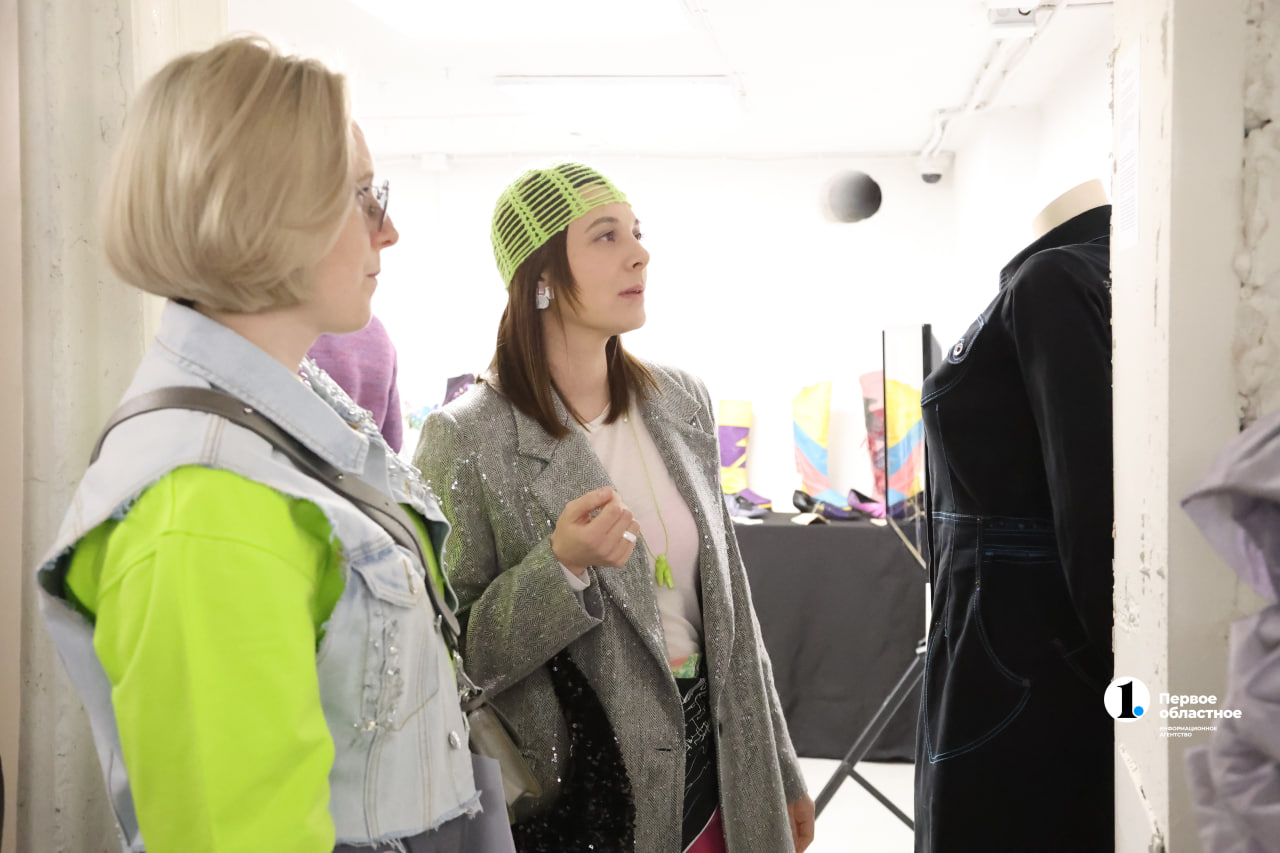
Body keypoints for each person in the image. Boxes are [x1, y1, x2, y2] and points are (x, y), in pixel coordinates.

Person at [34, 36, 513, 853]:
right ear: (264, 209)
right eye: (364, 196)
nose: (389, 230)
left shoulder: (286, 419)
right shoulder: (205, 506)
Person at [414, 162, 815, 853]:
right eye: (605, 236)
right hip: (591, 796)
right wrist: (560, 568)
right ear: (540, 275)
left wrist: (780, 768)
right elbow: (451, 653)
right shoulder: (467, 435)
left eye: (636, 231)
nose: (640, 253)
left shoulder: (680, 400)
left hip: (725, 771)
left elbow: (734, 612)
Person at [913, 179, 1114, 852]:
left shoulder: (1054, 278)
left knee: (989, 820)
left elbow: (1089, 497)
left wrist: (1127, 679)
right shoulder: (1068, 274)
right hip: (1006, 633)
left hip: (1014, 645)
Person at [308, 312, 405, 452]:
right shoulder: (380, 335)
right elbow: (392, 442)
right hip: (358, 460)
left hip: (294, 455)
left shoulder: (295, 319)